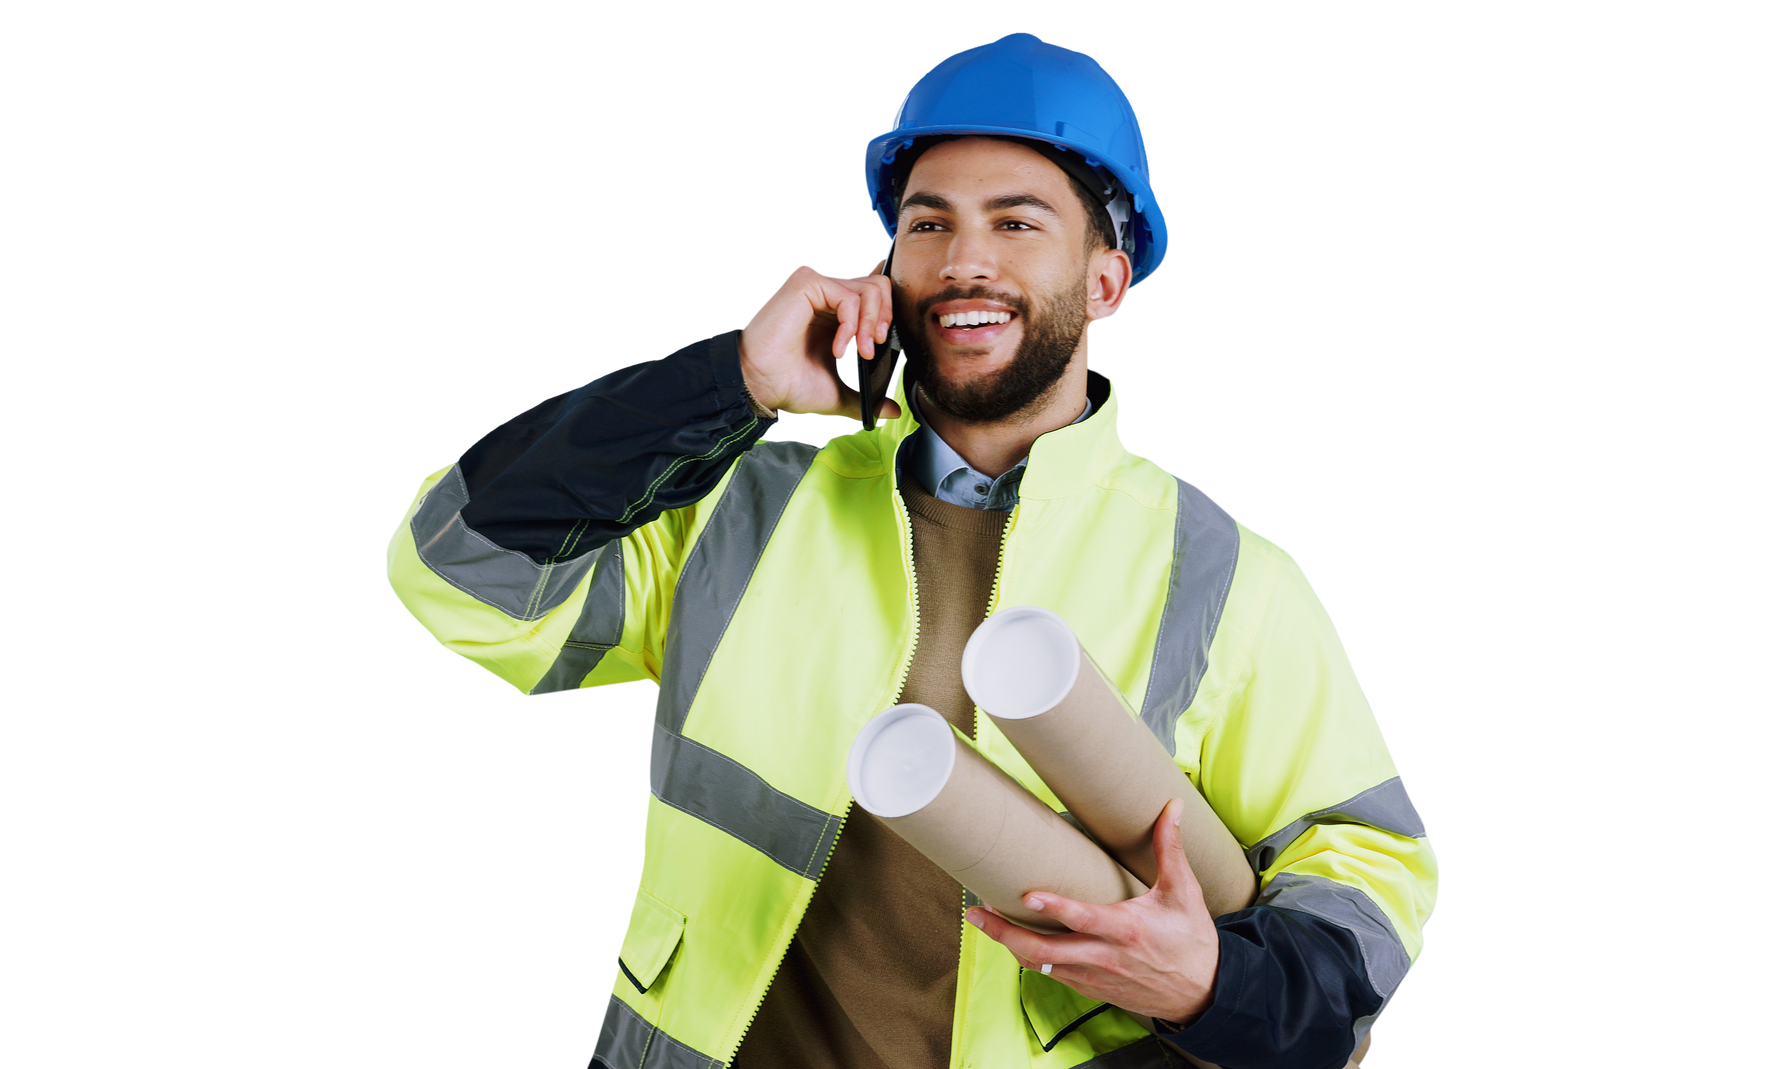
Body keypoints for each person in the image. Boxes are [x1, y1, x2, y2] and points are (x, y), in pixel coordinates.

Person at [382, 29, 1439, 1069]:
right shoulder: (744, 509)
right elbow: (452, 569)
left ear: (1107, 282)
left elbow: (1373, 886)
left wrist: (1215, 989)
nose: (965, 261)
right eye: (928, 224)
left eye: (1017, 223)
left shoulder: (1230, 577)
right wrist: (730, 386)